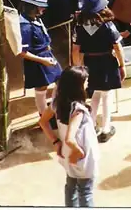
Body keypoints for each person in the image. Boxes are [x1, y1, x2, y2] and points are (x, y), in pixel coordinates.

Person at [40, 66, 99, 207]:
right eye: (85, 81)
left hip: (67, 152)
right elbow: (70, 138)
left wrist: (56, 142)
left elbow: (42, 122)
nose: (87, 84)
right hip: (81, 154)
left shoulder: (57, 103)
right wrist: (78, 152)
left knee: (71, 186)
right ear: (77, 86)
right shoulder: (78, 110)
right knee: (85, 191)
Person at [72, 0, 125, 142]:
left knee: (95, 94)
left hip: (89, 63)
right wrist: (122, 65)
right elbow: (118, 47)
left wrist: (78, 68)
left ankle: (91, 126)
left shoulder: (80, 26)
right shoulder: (108, 26)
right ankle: (106, 129)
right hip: (107, 63)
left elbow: (75, 49)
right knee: (106, 95)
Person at [18, 0, 62, 119]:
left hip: (47, 56)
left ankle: (54, 108)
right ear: (33, 7)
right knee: (41, 89)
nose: (43, 9)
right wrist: (43, 61)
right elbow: (22, 52)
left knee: (61, 81)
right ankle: (44, 116)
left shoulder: (35, 19)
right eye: (41, 6)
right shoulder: (24, 26)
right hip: (37, 61)